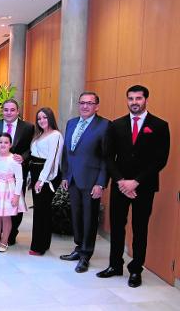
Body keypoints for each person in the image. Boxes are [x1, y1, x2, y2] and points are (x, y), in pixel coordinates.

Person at [97, 85, 170, 288]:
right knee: (117, 226)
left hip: (143, 187)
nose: (134, 102)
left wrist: (136, 181)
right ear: (127, 100)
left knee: (140, 228)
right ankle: (115, 265)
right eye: (131, 98)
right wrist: (120, 181)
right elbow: (108, 156)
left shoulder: (160, 125)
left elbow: (160, 160)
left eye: (138, 98)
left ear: (146, 99)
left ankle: (136, 269)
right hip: (120, 185)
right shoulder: (116, 125)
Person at [59, 92, 110, 273]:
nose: (85, 106)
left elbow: (106, 158)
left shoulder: (104, 126)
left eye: (90, 103)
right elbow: (67, 152)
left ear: (97, 106)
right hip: (73, 179)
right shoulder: (72, 123)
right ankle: (78, 247)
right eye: (82, 103)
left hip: (91, 181)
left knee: (89, 218)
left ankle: (86, 255)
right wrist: (65, 175)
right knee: (76, 216)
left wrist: (101, 183)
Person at [0, 99, 34, 245]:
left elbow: (31, 148)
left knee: (14, 205)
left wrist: (23, 157)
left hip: (16, 174)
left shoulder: (28, 127)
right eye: (5, 110)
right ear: (2, 111)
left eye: (12, 110)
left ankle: (10, 236)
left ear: (17, 111)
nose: (8, 112)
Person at [29, 107, 63, 256]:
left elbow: (52, 159)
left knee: (41, 210)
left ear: (51, 118)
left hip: (47, 175)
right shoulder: (40, 134)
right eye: (39, 118)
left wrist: (42, 180)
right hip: (36, 172)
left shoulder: (56, 135)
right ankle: (43, 242)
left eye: (45, 117)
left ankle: (38, 246)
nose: (42, 121)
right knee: (41, 209)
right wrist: (32, 177)